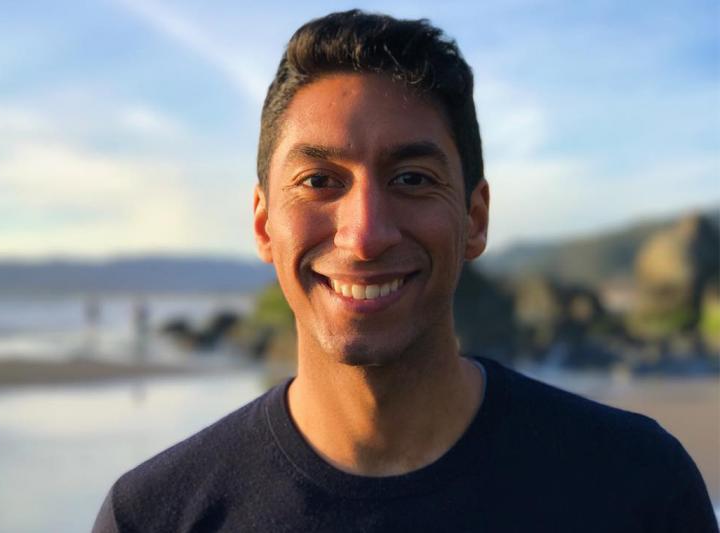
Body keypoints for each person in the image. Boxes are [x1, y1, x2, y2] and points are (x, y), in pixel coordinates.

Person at [93, 10, 717, 532]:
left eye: (412, 179)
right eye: (319, 182)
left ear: (474, 219)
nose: (365, 236)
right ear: (263, 225)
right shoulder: (155, 517)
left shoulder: (636, 490)